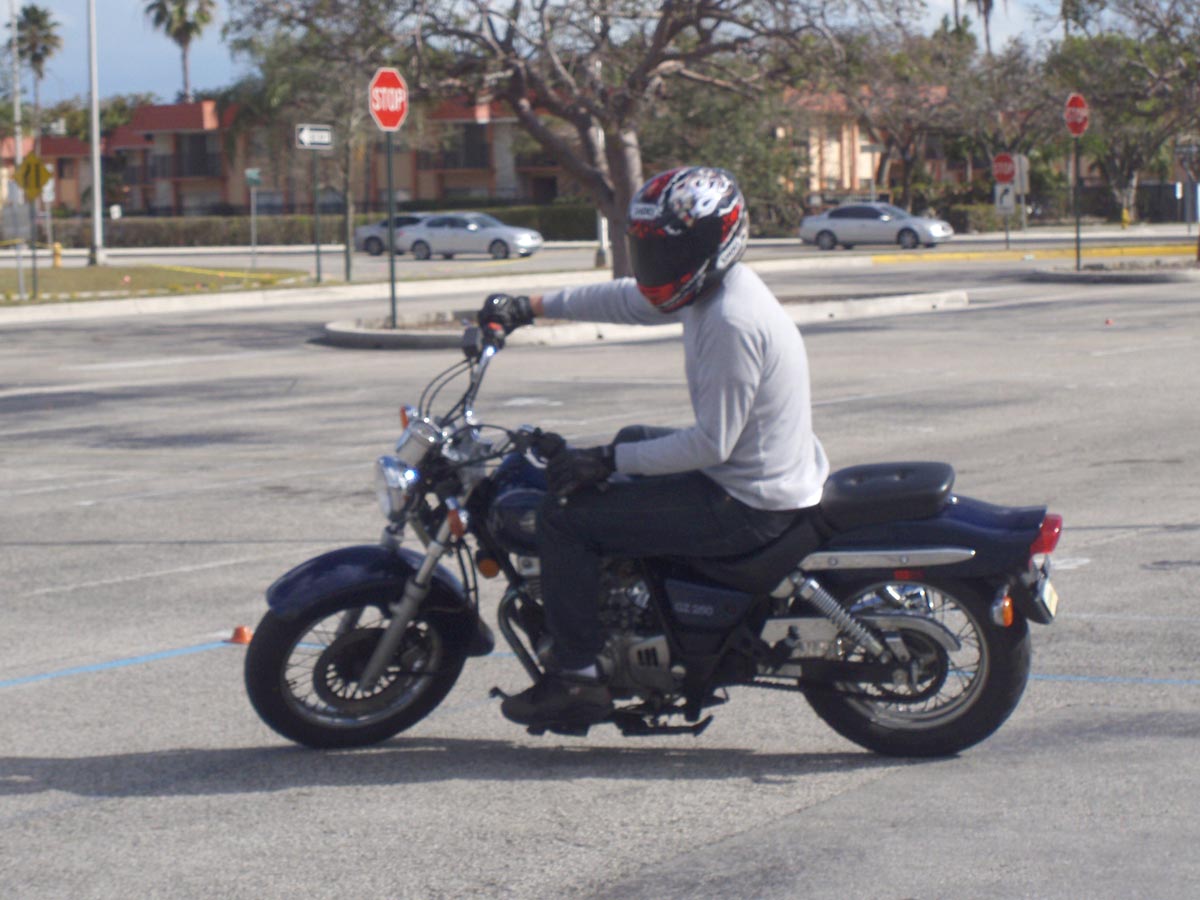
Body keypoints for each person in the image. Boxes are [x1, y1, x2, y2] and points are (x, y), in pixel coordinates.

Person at [479, 166, 829, 729]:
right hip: (759, 472)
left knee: (566, 519)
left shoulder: (732, 320)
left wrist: (606, 462)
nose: (656, 264)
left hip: (749, 502)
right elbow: (628, 299)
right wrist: (531, 306)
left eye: (668, 249)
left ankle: (577, 677)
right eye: (649, 249)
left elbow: (712, 444)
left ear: (716, 241)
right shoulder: (711, 286)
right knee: (631, 442)